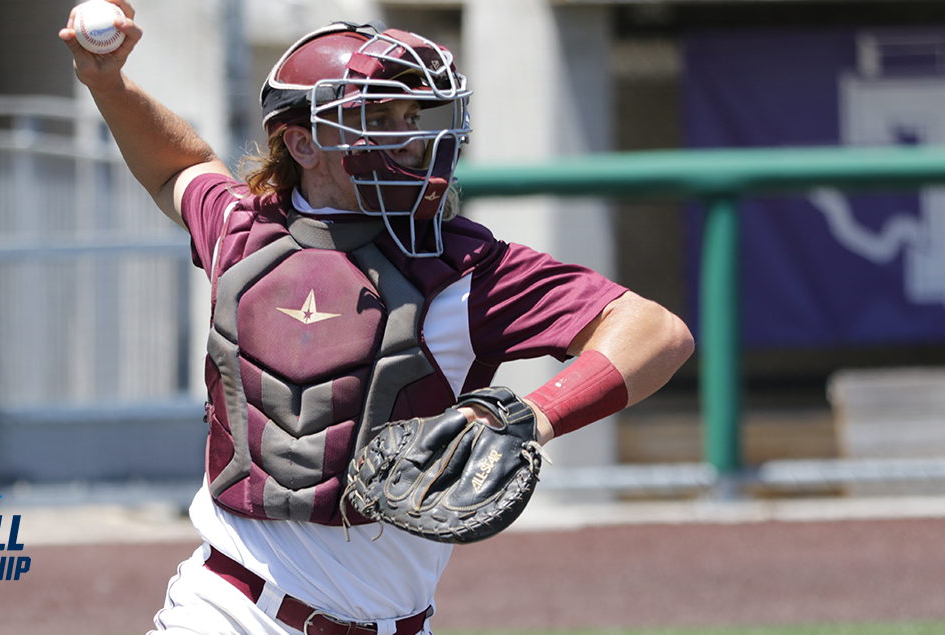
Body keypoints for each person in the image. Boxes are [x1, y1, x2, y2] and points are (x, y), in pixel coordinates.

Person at [60, 4, 694, 634]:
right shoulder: (240, 230)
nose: (413, 138)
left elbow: (655, 333)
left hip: (398, 623)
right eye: (378, 118)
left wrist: (531, 417)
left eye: (415, 117)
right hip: (228, 611)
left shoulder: (466, 264)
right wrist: (108, 83)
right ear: (302, 142)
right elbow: (179, 165)